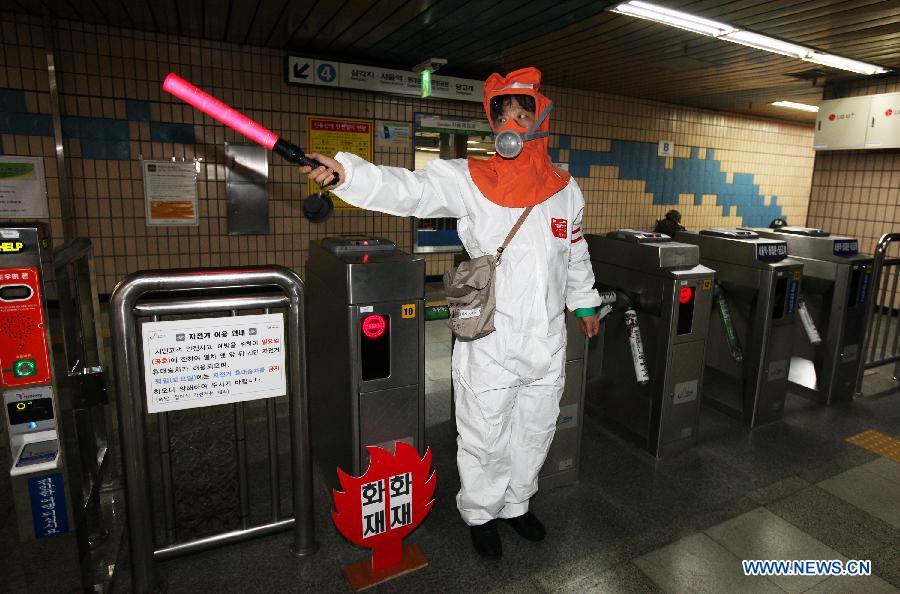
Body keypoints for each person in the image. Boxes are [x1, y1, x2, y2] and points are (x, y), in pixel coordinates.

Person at [301, 67, 603, 560]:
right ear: (492, 122)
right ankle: (481, 513)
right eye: (502, 113)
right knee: (483, 430)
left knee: (536, 429)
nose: (512, 121)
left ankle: (517, 504)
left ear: (541, 118)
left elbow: (575, 251)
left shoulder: (565, 190)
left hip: (547, 341)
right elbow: (409, 190)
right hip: (490, 337)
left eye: (522, 112)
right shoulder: (469, 179)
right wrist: (347, 174)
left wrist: (585, 300)